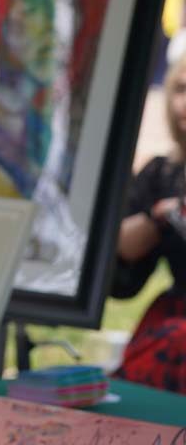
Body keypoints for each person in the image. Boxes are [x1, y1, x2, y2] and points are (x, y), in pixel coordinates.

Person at [111, 54, 186, 393]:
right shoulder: (163, 173)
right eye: (180, 89)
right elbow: (123, 249)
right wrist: (164, 214)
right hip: (176, 319)